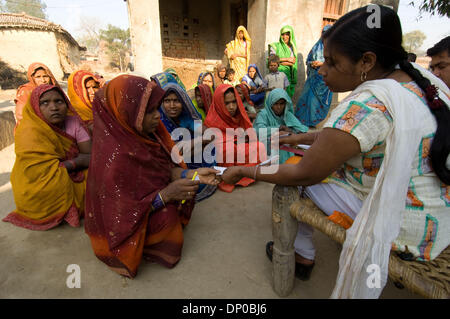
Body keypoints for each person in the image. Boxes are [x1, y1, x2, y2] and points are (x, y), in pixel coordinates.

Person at [221, 6, 450, 299]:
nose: (322, 69)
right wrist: (299, 136)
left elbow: (306, 171)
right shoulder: (418, 79)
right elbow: (345, 135)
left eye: (331, 61)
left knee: (295, 174)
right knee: (299, 152)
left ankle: (302, 256)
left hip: (405, 229)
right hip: (438, 218)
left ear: (366, 61)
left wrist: (244, 170)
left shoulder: (370, 102)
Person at [84, 75, 220, 278]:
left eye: (157, 108)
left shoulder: (151, 134)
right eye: (148, 112)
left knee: (185, 194)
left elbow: (165, 169)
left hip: (146, 202)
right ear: (125, 113)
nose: (158, 116)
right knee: (168, 219)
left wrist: (193, 174)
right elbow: (121, 214)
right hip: (121, 221)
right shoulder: (115, 157)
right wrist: (166, 195)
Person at [3, 84, 91, 230]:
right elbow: (39, 172)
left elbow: (88, 155)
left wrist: (76, 162)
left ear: (66, 103)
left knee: (102, 176)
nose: (54, 107)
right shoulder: (29, 130)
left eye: (59, 101)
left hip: (67, 173)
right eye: (45, 103)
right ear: (35, 107)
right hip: (38, 181)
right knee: (43, 191)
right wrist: (77, 162)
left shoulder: (73, 122)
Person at [204, 84, 267, 192]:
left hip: (239, 146)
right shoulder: (211, 120)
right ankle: (231, 178)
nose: (232, 107)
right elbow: (214, 142)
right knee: (228, 149)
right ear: (219, 103)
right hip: (225, 152)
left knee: (259, 146)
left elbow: (248, 134)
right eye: (227, 103)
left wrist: (245, 138)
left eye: (234, 102)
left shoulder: (239, 115)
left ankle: (249, 174)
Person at [253, 88, 308, 164]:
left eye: (282, 104)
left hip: (286, 150)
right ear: (270, 104)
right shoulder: (263, 114)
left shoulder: (287, 115)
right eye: (275, 104)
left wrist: (290, 131)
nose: (279, 107)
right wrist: (278, 128)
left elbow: (301, 130)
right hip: (267, 149)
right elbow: (258, 131)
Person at [295, 25, 334, 128]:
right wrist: (312, 63)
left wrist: (321, 64)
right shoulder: (316, 46)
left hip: (323, 81)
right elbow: (308, 59)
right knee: (305, 98)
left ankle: (312, 123)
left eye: (328, 33)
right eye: (324, 33)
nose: (325, 35)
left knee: (314, 102)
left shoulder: (333, 48)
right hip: (312, 79)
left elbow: (334, 62)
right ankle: (301, 121)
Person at [269, 25, 298, 98]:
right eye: (283, 34)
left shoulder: (293, 48)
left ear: (290, 35)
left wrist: (279, 62)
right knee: (275, 98)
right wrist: (287, 59)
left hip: (287, 77)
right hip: (276, 76)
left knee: (285, 98)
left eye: (287, 34)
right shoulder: (275, 46)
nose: (285, 37)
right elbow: (271, 60)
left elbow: (293, 63)